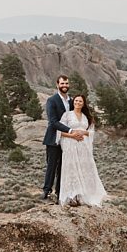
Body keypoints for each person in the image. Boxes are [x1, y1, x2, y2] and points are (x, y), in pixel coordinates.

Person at [59, 94, 108, 207]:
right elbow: (60, 131)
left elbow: (91, 132)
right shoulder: (67, 115)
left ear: (84, 103)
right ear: (73, 102)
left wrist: (83, 133)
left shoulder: (86, 117)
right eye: (76, 100)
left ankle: (83, 196)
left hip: (83, 146)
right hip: (70, 145)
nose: (77, 103)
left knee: (85, 169)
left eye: (80, 101)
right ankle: (72, 196)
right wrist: (73, 135)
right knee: (71, 169)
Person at [42, 74, 83, 202]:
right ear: (57, 85)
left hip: (68, 140)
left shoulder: (72, 101)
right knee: (51, 165)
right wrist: (71, 131)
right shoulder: (52, 100)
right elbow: (53, 122)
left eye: (66, 84)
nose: (64, 86)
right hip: (54, 138)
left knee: (64, 166)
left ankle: (60, 192)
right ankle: (46, 191)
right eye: (62, 84)